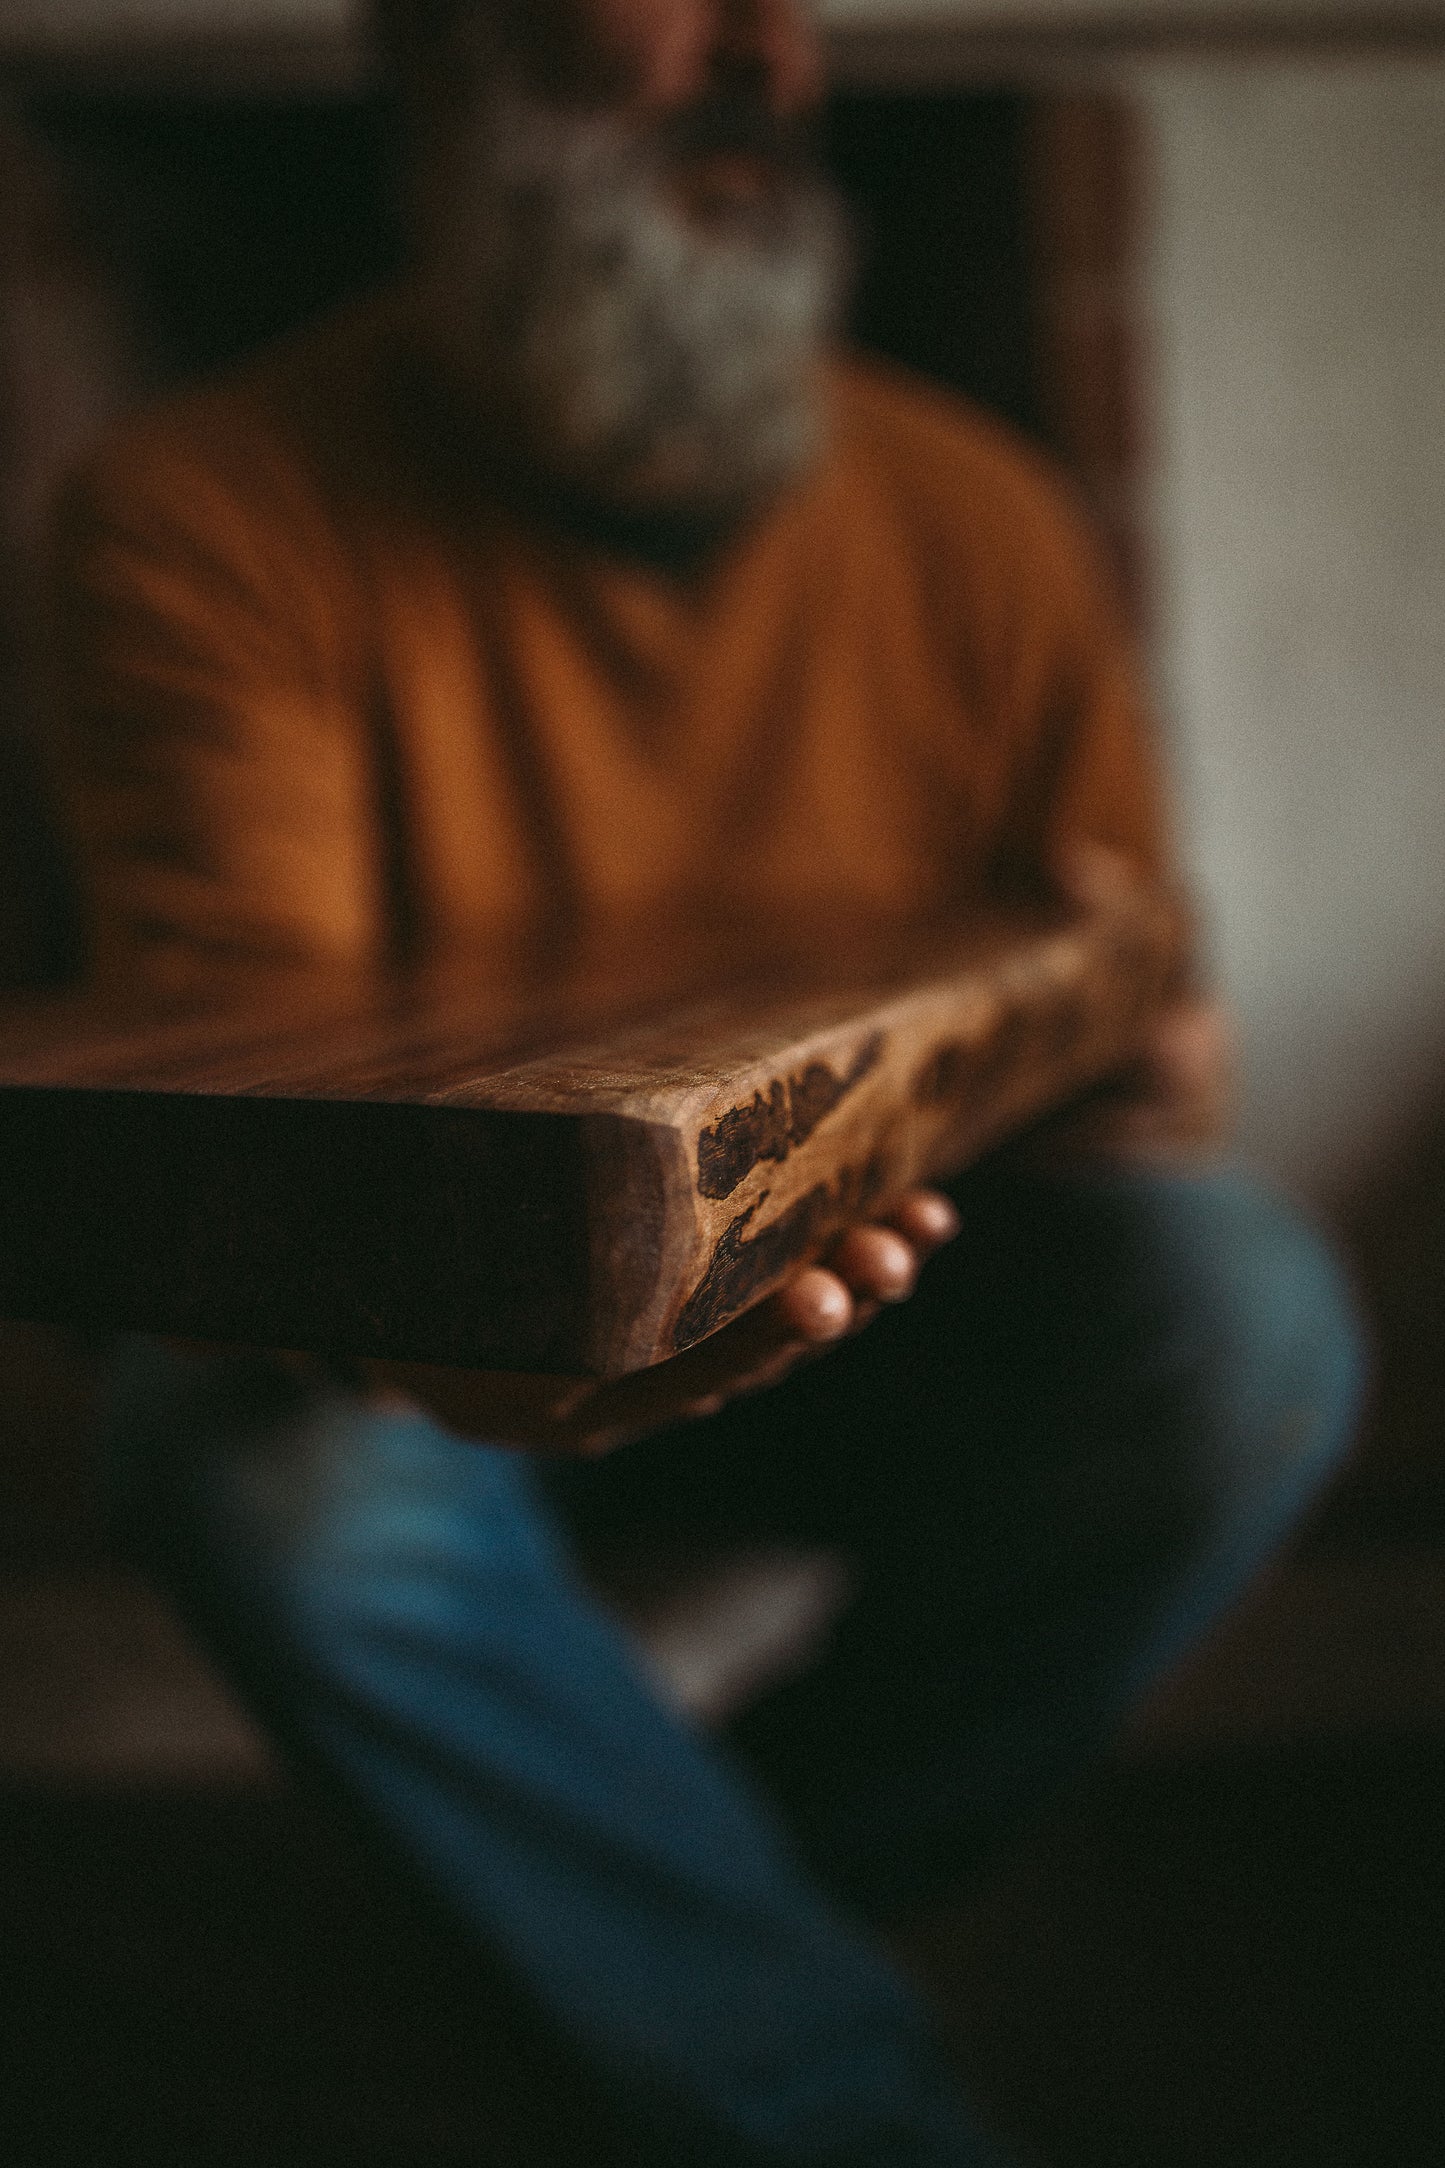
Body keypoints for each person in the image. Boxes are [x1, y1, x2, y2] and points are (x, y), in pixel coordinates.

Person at [46, 3, 1364, 2162]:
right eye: (661, 11)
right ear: (450, 76)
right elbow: (263, 1168)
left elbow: (1116, 961)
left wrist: (1143, 1067)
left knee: (1250, 1313)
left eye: (787, 8)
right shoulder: (201, 518)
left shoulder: (987, 520)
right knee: (235, 1463)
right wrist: (562, 1342)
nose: (766, 55)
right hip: (421, 1354)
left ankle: (681, 1939)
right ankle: (832, 2086)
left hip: (887, 1271)